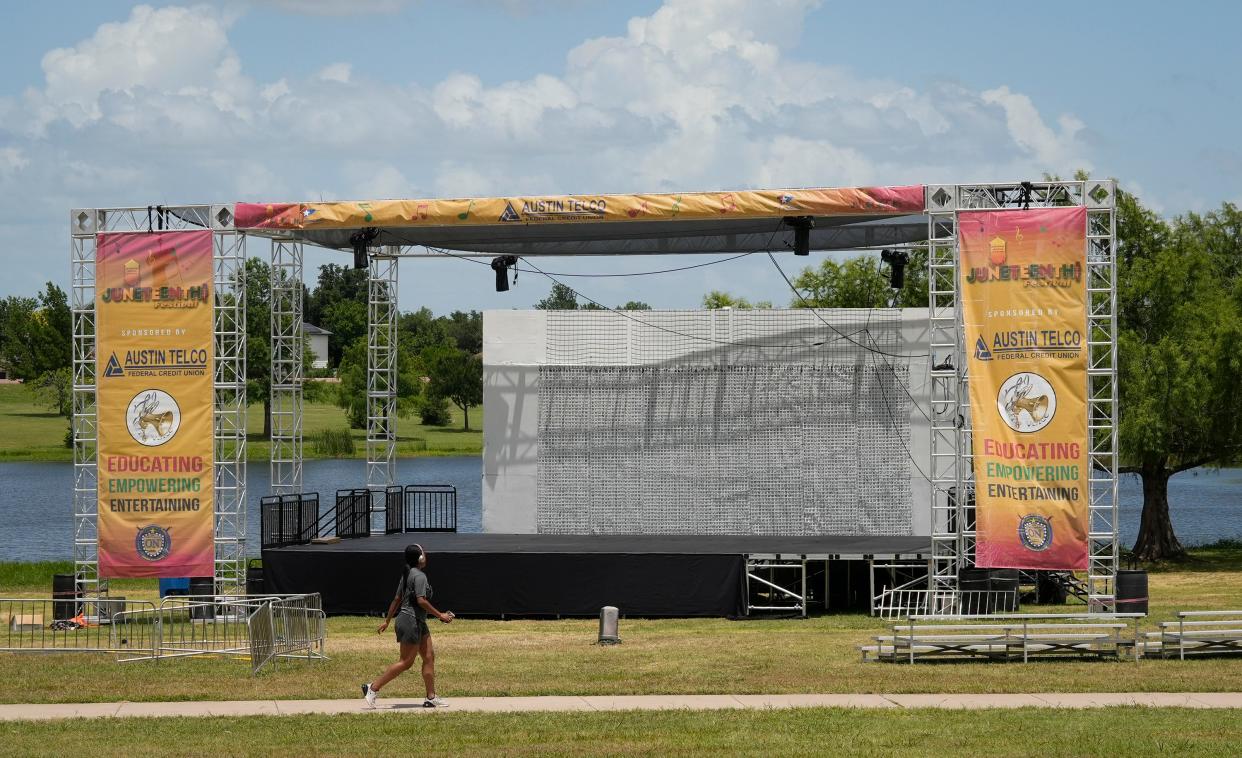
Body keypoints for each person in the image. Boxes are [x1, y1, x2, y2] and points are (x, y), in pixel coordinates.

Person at [362, 543, 454, 708]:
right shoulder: (419, 576)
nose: (426, 556)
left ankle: (431, 697)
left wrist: (387, 620)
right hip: (411, 621)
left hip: (417, 621)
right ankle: (373, 688)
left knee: (429, 657)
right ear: (420, 558)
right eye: (424, 553)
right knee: (406, 662)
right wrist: (441, 615)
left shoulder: (407, 574)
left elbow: (397, 599)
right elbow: (421, 600)